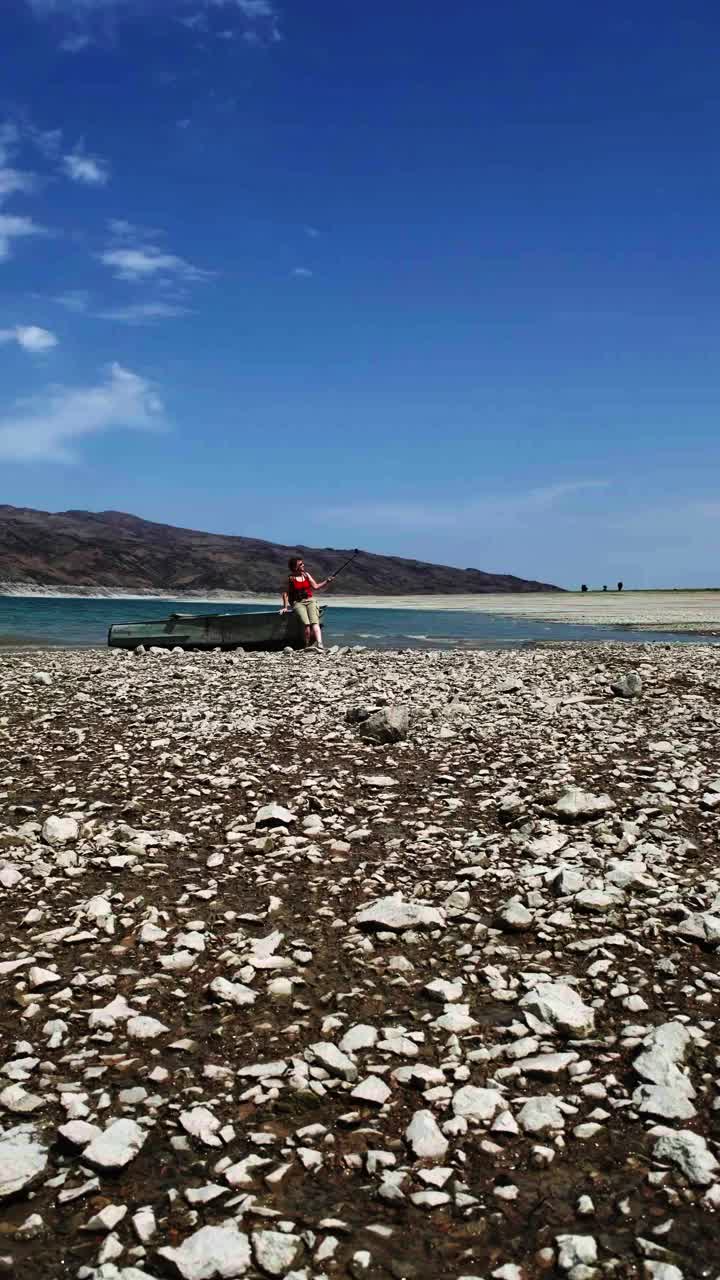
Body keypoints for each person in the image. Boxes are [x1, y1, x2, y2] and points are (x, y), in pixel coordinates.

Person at [281, 556, 333, 649]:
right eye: (301, 564)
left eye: (302, 563)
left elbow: (316, 586)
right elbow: (285, 593)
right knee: (306, 624)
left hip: (310, 600)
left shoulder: (306, 575)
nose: (303, 565)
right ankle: (307, 646)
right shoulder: (291, 578)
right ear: (295, 567)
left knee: (315, 622)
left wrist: (327, 581)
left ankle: (320, 644)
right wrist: (285, 607)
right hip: (298, 603)